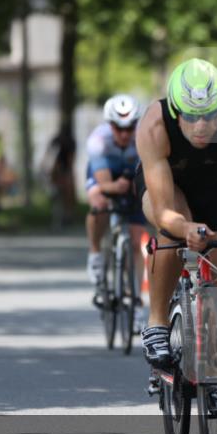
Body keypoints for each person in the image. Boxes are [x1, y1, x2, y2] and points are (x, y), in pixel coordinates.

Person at [134, 58, 217, 415]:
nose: (201, 126)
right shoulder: (154, 126)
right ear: (176, 111)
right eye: (190, 116)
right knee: (171, 233)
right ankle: (158, 323)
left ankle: (216, 372)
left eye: (210, 116)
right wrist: (186, 229)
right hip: (167, 191)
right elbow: (163, 213)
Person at [85, 94, 146, 305]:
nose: (124, 133)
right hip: (105, 175)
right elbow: (104, 184)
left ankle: (135, 296)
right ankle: (95, 252)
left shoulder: (144, 138)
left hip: (132, 176)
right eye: (119, 128)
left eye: (130, 128)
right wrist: (116, 187)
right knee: (99, 203)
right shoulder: (98, 141)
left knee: (137, 241)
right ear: (109, 125)